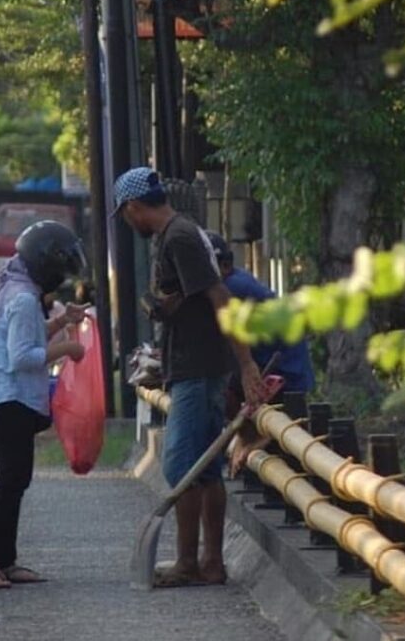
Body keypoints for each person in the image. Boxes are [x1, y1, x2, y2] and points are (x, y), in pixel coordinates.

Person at [113, 166, 267, 587]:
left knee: (182, 464)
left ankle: (188, 563)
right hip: (191, 364)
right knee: (205, 468)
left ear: (134, 207)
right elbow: (191, 300)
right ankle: (210, 563)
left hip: (200, 369)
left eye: (126, 215)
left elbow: (220, 299)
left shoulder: (180, 237)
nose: (128, 223)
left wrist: (248, 364)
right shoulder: (177, 235)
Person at [0, 220, 90, 590]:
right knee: (10, 480)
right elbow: (22, 356)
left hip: (8, 396)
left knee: (17, 479)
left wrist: (62, 322)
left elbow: (29, 337)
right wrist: (68, 348)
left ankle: (5, 559)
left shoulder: (21, 290)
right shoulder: (22, 297)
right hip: (7, 397)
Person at [206, 231, 315, 395]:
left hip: (284, 374)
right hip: (289, 367)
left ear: (224, 266)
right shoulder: (237, 278)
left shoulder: (230, 289)